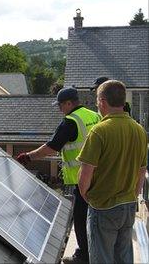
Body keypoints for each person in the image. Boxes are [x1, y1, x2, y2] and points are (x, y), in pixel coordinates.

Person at [16, 87, 100, 264]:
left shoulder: (70, 122)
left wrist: (28, 156)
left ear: (69, 103)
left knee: (80, 218)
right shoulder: (94, 115)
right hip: (100, 176)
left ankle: (84, 256)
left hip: (82, 179)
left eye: (60, 105)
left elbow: (52, 147)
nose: (59, 109)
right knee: (95, 219)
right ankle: (94, 252)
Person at [77, 80, 147, 264]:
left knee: (102, 259)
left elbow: (85, 174)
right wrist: (134, 194)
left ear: (102, 101)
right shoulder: (139, 130)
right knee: (124, 258)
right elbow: (142, 170)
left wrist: (86, 195)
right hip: (128, 206)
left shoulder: (99, 131)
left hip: (103, 207)